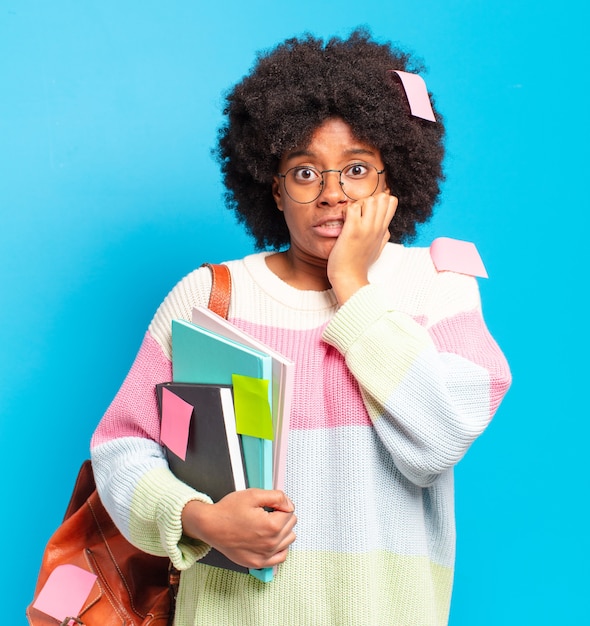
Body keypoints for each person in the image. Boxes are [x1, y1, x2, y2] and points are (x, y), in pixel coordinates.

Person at [90, 29, 512, 626]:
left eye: (357, 169)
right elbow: (120, 447)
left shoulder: (436, 288)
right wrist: (197, 518)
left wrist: (354, 288)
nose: (333, 195)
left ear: (391, 181)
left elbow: (439, 441)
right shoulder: (208, 299)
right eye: (306, 173)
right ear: (273, 184)